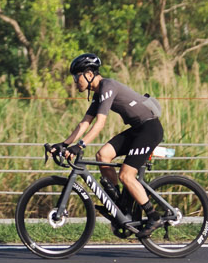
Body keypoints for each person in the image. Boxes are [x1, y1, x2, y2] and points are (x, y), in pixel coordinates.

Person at [60, 52, 163, 234]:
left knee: (126, 175)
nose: (75, 81)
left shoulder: (108, 86)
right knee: (102, 155)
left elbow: (100, 123)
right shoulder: (98, 94)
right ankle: (120, 205)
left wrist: (80, 145)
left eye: (77, 77)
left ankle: (154, 216)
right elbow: (85, 123)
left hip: (149, 129)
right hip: (137, 129)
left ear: (89, 74)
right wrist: (64, 144)